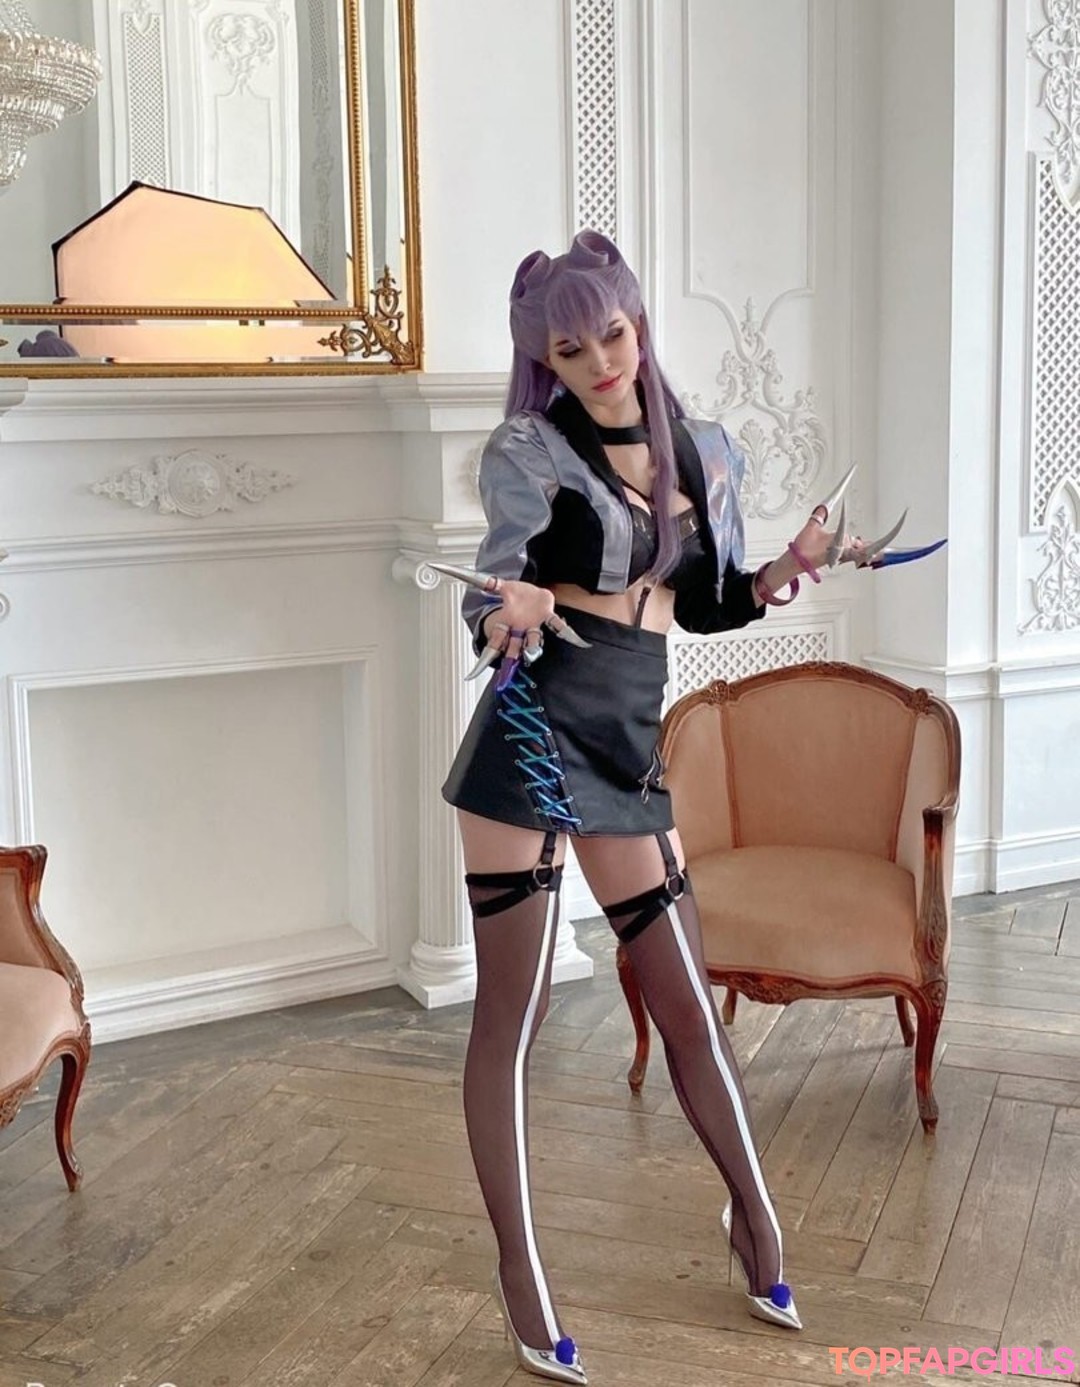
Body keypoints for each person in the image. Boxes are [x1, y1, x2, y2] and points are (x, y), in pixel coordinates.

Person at [440, 230, 845, 1384]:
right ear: (547, 361)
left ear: (637, 325)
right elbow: (491, 596)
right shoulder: (530, 451)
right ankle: (522, 1274)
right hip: (531, 730)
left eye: (611, 334)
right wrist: (506, 608)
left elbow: (706, 602)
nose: (599, 361)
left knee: (685, 1003)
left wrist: (784, 568)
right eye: (570, 350)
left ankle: (754, 1220)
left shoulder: (701, 450)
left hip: (625, 738)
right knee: (512, 1017)